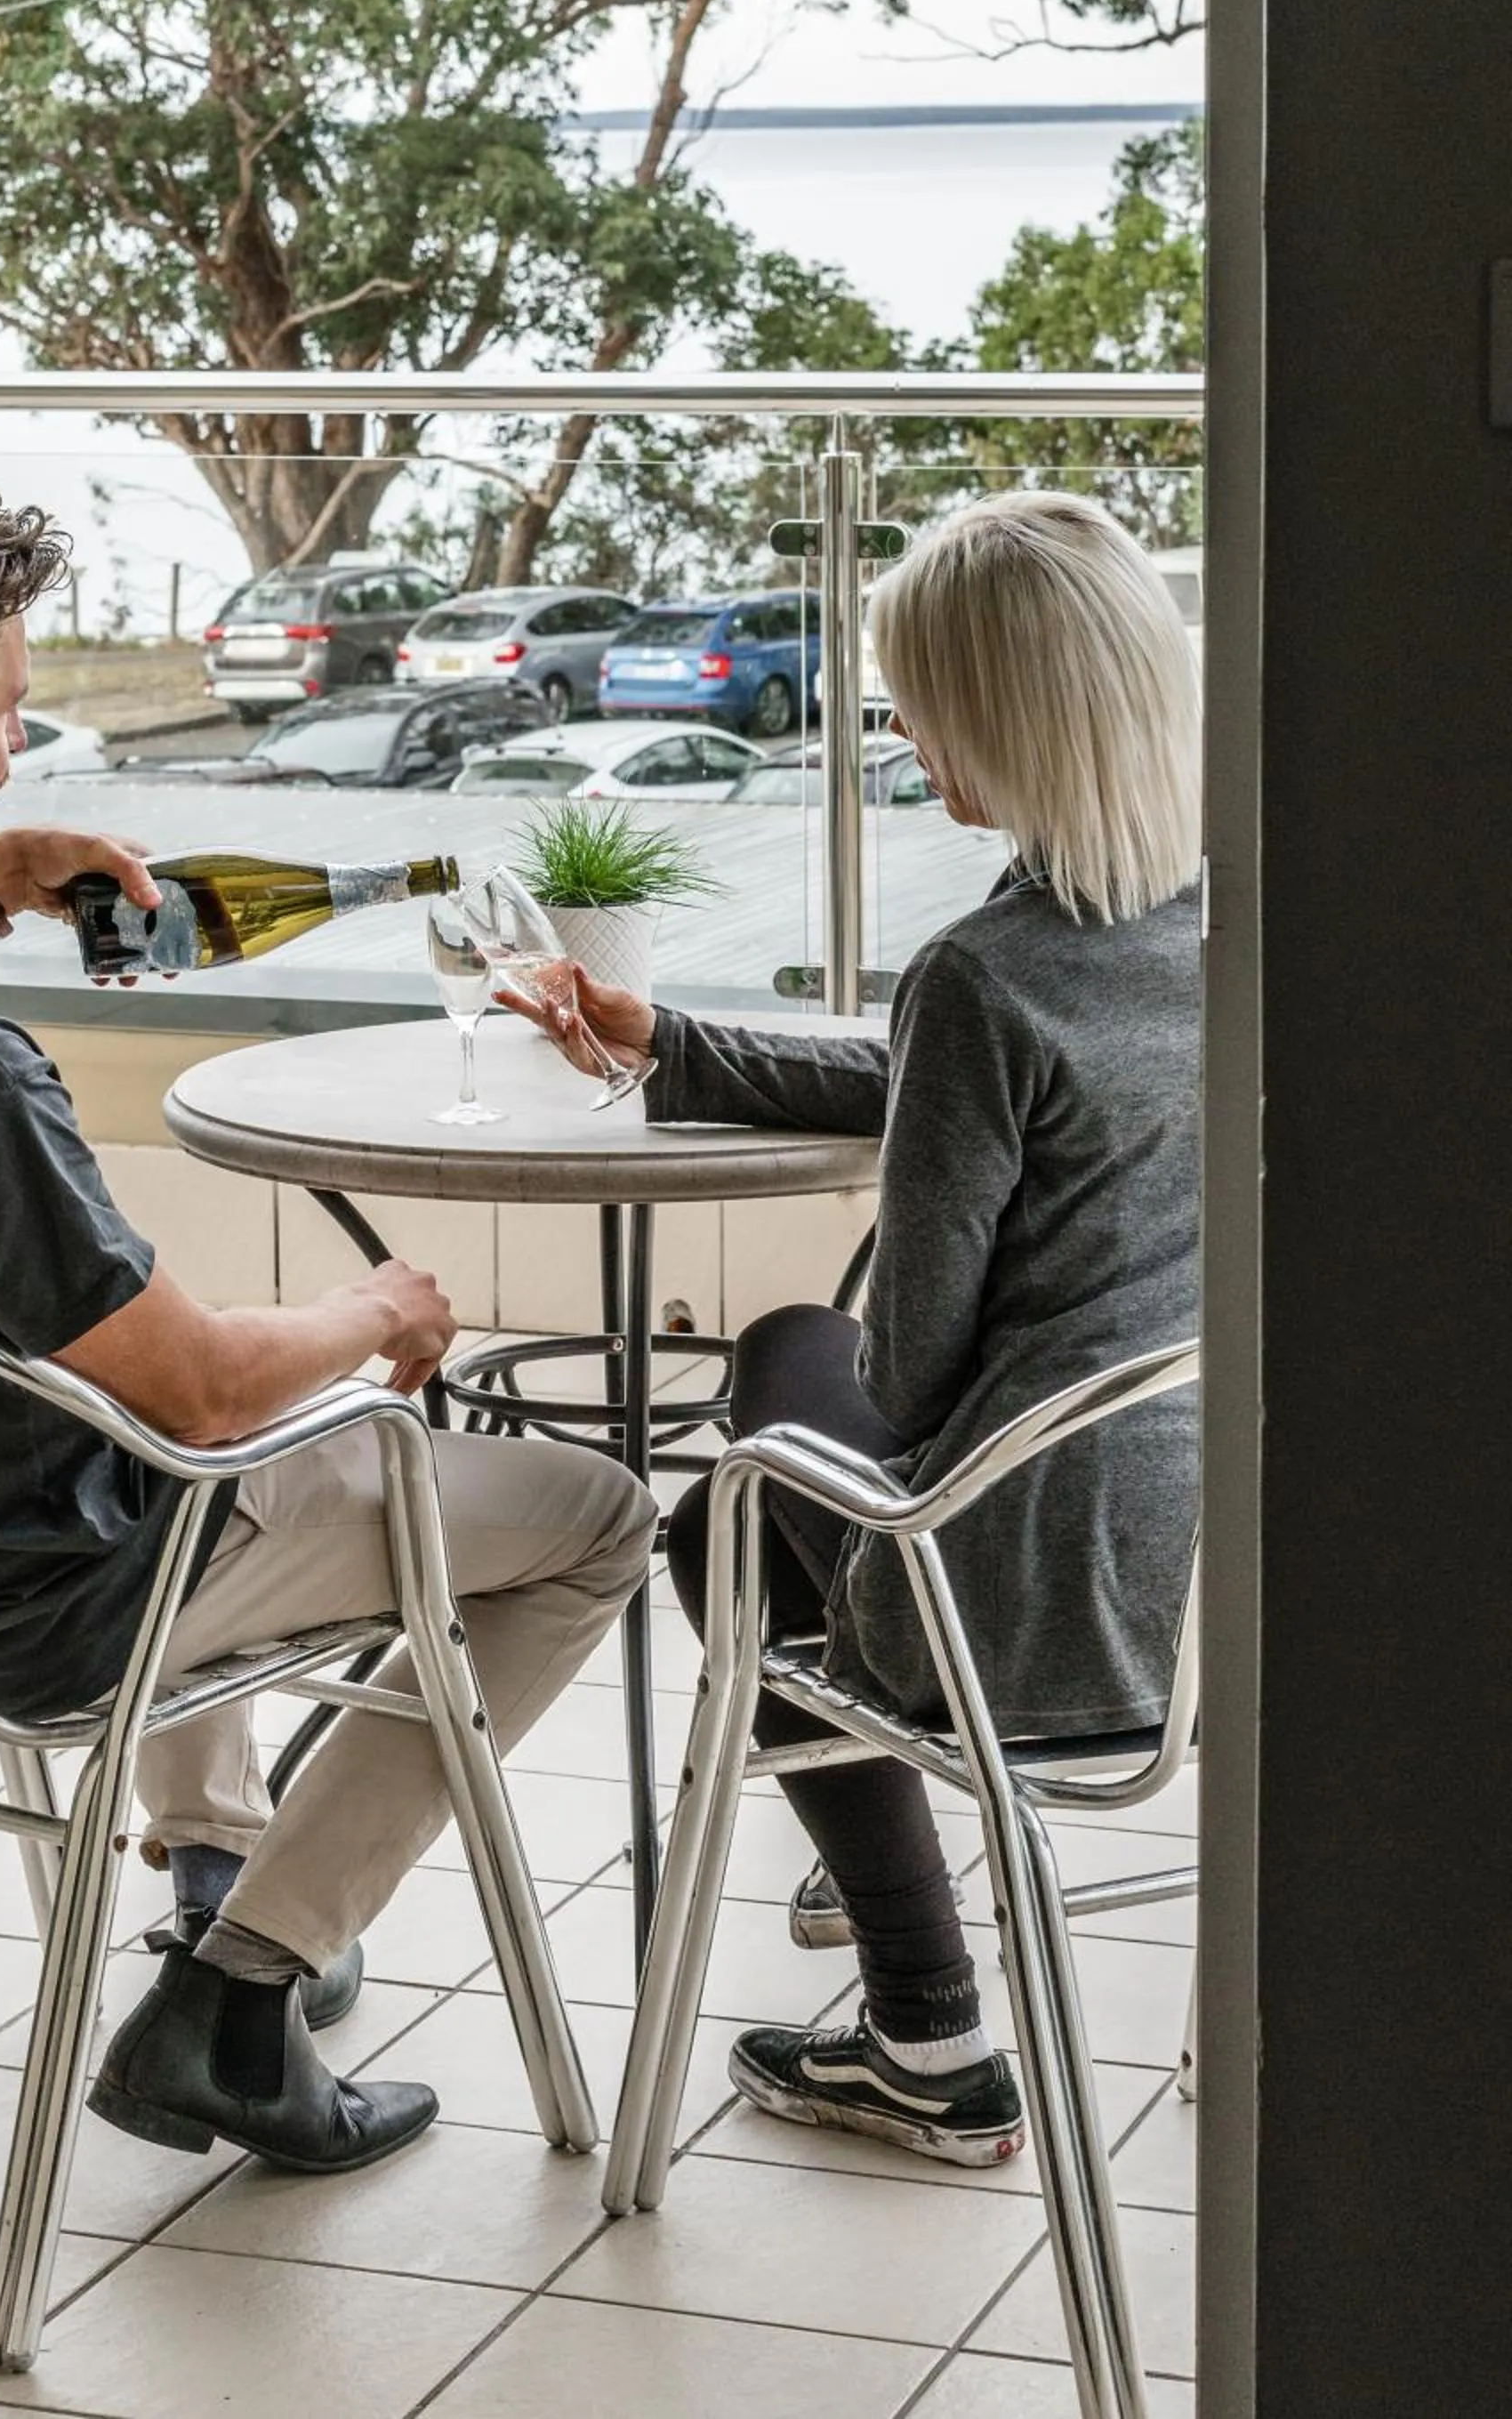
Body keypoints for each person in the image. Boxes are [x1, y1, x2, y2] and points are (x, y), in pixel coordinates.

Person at [0, 459, 655, 2174]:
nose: (18, 751)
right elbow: (189, 1393)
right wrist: (371, 1310)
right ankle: (240, 1997)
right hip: (51, 1608)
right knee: (594, 1519)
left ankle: (215, 1865)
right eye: (7, 720)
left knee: (187, 1376)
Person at [507, 488, 1201, 2167]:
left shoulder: (987, 971)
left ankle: (929, 2032)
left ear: (1011, 719)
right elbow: (959, 1100)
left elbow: (913, 1369)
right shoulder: (1232, 920)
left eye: (921, 709)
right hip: (1202, 1588)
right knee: (781, 1371)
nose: (902, 739)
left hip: (1020, 1608)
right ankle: (867, 1860)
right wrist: (673, 1040)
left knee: (722, 1513)